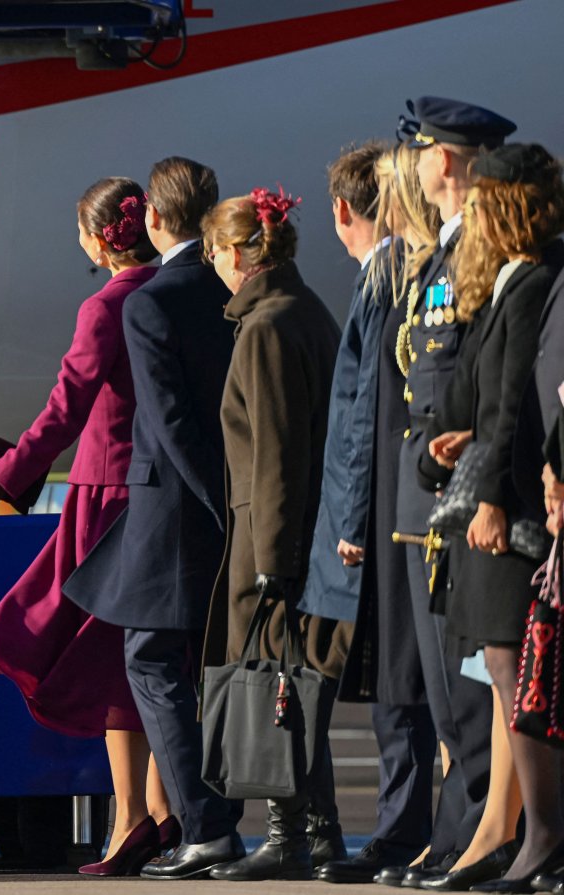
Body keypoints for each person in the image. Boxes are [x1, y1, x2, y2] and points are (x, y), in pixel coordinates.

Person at [0, 177, 174, 877]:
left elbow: (65, 408)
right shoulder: (180, 291)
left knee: (101, 654)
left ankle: (131, 818)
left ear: (97, 239)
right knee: (149, 658)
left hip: (106, 495)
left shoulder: (108, 304)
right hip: (158, 495)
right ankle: (157, 806)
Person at [63, 157, 246, 881]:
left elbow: (167, 420)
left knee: (150, 659)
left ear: (157, 221)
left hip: (170, 506)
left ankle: (203, 827)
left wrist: (209, 497)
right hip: (217, 502)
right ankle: (189, 819)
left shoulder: (146, 301)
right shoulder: (221, 289)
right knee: (188, 665)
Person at [375, 97, 517, 889]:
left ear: (450, 159)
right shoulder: (441, 254)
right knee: (440, 681)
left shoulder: (481, 255)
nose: (419, 160)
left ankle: (479, 834)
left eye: (425, 147)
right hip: (425, 491)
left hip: (459, 492)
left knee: (467, 680)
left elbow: (478, 384)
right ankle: (457, 832)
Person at [200, 186, 350, 882]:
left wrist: (272, 560)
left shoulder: (266, 327)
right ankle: (318, 834)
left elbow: (278, 452)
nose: (213, 266)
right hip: (296, 533)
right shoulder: (306, 310)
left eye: (212, 252)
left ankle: (290, 833)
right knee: (297, 691)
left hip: (272, 535)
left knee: (277, 689)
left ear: (238, 253)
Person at [425, 143, 564, 892]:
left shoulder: (535, 278)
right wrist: (466, 440)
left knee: (518, 672)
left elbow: (520, 398)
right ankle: (531, 837)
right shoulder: (510, 278)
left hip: (506, 511)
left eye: (483, 203)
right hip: (493, 489)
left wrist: (490, 497)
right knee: (503, 670)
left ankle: (541, 834)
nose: (471, 215)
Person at [311, 143, 440, 884]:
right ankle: (412, 828)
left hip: (388, 512)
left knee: (402, 683)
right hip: (397, 505)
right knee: (408, 683)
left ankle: (401, 832)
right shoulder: (400, 275)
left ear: (343, 210)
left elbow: (364, 413)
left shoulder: (388, 277)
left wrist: (351, 520)